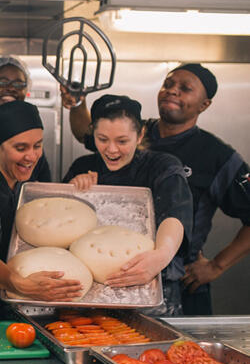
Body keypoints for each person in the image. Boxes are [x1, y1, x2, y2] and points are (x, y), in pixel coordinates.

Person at [63, 64, 250, 315]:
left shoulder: (216, 155)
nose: (172, 92)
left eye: (185, 88)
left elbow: (175, 211)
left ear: (204, 104)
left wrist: (216, 265)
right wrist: (77, 104)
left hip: (179, 278)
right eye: (168, 84)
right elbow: (86, 131)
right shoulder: (126, 126)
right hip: (107, 278)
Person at [64, 94, 193, 315]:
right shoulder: (82, 166)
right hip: (90, 297)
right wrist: (74, 190)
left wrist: (161, 255)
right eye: (102, 139)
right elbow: (64, 227)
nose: (112, 150)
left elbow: (175, 213)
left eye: (122, 141)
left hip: (152, 291)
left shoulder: (162, 166)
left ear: (140, 134)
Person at [0, 101, 85, 319]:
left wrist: (79, 183)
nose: (31, 157)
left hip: (22, 301)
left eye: (37, 146)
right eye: (20, 148)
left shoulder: (24, 182)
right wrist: (22, 284)